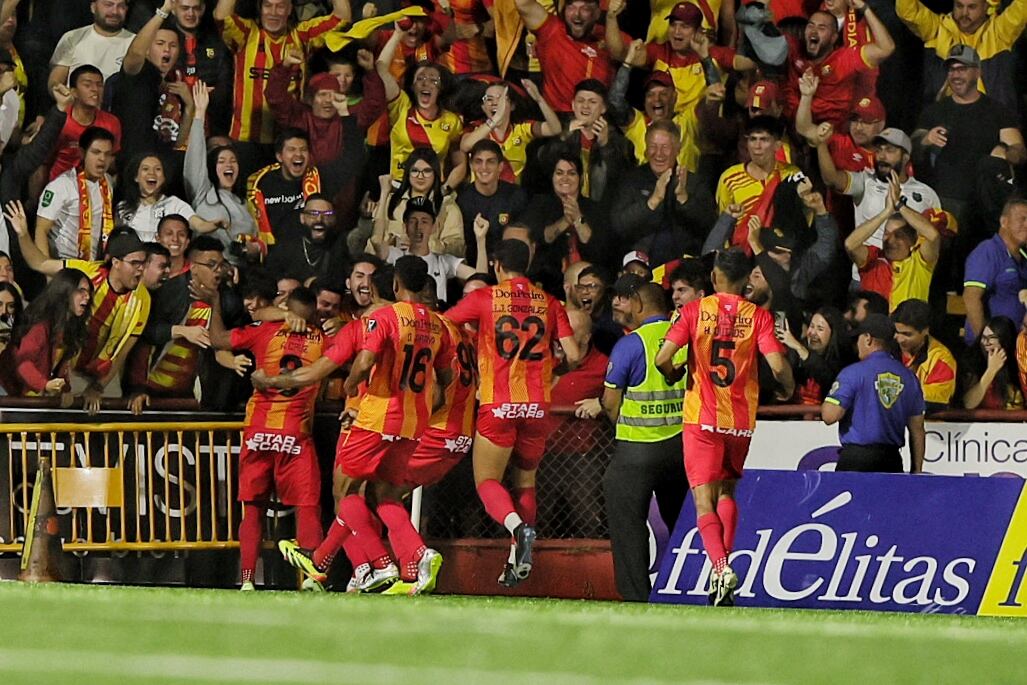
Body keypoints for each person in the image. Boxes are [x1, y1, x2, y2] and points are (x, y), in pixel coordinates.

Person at [276, 256, 455, 596]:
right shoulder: (437, 325)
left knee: (346, 493)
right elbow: (446, 378)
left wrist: (351, 384)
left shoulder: (383, 318)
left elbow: (366, 359)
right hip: (412, 422)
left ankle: (375, 564)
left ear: (393, 285)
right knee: (384, 494)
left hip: (376, 417)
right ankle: (415, 557)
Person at [655, 248, 794, 607]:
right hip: (740, 421)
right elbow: (778, 366)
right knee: (728, 494)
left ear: (715, 279)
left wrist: (673, 374)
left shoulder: (694, 311)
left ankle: (719, 567)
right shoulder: (758, 317)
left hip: (702, 419)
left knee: (703, 503)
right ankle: (723, 576)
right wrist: (789, 385)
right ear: (747, 279)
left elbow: (663, 358)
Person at [445, 239, 580, 586]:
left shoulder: (485, 298)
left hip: (498, 403)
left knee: (487, 481)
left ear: (496, 266)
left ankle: (518, 529)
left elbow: (444, 324)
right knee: (526, 481)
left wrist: (473, 333)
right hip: (537, 406)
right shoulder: (549, 303)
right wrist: (552, 370)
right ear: (528, 263)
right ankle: (518, 555)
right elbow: (574, 354)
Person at [203, 283, 326, 591]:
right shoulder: (323, 340)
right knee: (307, 506)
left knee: (253, 507)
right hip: (295, 434)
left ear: (288, 308)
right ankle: (313, 577)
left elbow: (217, 339)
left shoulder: (266, 330)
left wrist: (215, 302)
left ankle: (246, 580)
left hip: (258, 432)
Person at [576, 275, 687, 602]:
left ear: (639, 304)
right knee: (682, 523)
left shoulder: (630, 344)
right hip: (680, 449)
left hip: (636, 451)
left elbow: (610, 402)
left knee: (628, 527)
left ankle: (638, 597)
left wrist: (621, 425)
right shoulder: (682, 338)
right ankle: (690, 586)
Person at [9, 202, 151, 413]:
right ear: (115, 262)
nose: (141, 270)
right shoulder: (85, 274)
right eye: (135, 263)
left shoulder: (143, 300)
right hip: (64, 363)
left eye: (143, 263)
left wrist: (97, 387)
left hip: (99, 373)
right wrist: (22, 234)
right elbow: (39, 263)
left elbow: (122, 353)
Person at [213, 0, 351, 155]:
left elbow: (343, 17)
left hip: (290, 142)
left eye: (280, 6)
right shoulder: (246, 33)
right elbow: (221, 15)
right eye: (268, 5)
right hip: (247, 141)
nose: (273, 12)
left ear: (290, 9)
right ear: (260, 8)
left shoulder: (302, 35)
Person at [913, 45, 1025, 235]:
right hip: (946, 203)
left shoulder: (998, 111)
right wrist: (926, 138)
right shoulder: (934, 111)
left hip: (986, 206)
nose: (956, 75)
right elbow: (912, 147)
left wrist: (1006, 153)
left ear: (978, 72)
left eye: (962, 69)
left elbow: (1019, 150)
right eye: (951, 69)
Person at [822, 313, 926, 474]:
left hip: (856, 461)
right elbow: (917, 428)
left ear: (868, 338)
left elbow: (830, 416)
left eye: (858, 338)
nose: (857, 344)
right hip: (891, 462)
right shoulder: (909, 377)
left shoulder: (852, 373)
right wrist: (916, 470)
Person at [612, 119, 716, 267]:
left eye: (665, 147)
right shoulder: (631, 180)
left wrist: (683, 198)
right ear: (646, 149)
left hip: (684, 266)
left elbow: (708, 224)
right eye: (653, 147)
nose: (658, 154)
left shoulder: (694, 183)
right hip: (639, 266)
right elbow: (619, 226)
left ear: (678, 149)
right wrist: (652, 202)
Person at [896, 0, 1027, 111]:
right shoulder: (938, 29)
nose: (964, 13)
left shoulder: (999, 31)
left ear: (986, 7)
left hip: (993, 122)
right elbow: (908, 11)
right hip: (945, 120)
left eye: (972, 7)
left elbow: (1022, 6)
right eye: (959, 6)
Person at [376, 30, 466, 189]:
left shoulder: (452, 121)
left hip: (434, 190)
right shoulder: (401, 107)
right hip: (398, 188)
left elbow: (459, 164)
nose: (426, 84)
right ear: (412, 85)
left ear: (442, 88)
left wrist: (445, 190)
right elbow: (381, 68)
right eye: (420, 79)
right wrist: (397, 34)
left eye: (433, 80)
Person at [782, 1, 894, 127]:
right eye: (811, 26)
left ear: (834, 38)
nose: (814, 31)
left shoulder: (843, 60)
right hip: (794, 127)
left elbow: (885, 48)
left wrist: (865, 9)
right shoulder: (796, 52)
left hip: (833, 130)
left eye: (821, 28)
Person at [844, 172, 941, 311]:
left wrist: (898, 204)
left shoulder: (920, 262)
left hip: (906, 329)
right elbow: (850, 244)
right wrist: (887, 211)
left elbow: (933, 236)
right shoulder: (873, 259)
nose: (890, 240)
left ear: (912, 240)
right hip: (874, 330)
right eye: (887, 233)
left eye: (899, 235)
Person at [183, 82, 258, 259]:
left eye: (233, 161)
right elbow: (195, 158)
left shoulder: (247, 201)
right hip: (208, 268)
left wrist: (253, 250)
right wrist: (199, 113)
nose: (228, 165)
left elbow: (259, 241)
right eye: (221, 161)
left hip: (241, 271)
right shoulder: (203, 193)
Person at [519, 153, 611, 296]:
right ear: (552, 177)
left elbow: (598, 249)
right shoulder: (540, 204)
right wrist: (566, 221)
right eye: (559, 173)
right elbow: (542, 239)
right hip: (548, 283)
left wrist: (578, 218)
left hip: (588, 283)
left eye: (571, 173)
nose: (565, 178)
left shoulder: (595, 209)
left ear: (580, 178)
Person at [513, 0, 628, 113]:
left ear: (597, 13)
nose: (577, 14)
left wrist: (611, 17)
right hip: (558, 121)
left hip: (598, 122)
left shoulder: (610, 36)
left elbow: (620, 54)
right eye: (571, 7)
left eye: (585, 9)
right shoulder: (552, 31)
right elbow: (523, 3)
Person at [371, 194, 488, 305]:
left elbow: (481, 281)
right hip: (404, 320)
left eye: (424, 221)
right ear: (404, 226)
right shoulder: (396, 256)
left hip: (436, 322)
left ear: (434, 227)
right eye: (413, 221)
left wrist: (481, 239)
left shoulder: (443, 262)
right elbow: (376, 240)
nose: (418, 227)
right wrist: (384, 193)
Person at [0, 267, 92, 396]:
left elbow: (59, 368)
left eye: (88, 292)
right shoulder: (41, 323)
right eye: (81, 291)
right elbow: (23, 363)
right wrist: (44, 385)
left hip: (26, 394)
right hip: (7, 389)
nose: (87, 296)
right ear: (65, 291)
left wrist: (64, 390)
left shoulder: (69, 328)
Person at [36, 126, 116, 260]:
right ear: (82, 153)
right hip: (65, 265)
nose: (102, 159)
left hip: (94, 266)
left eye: (107, 154)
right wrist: (47, 271)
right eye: (96, 152)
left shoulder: (107, 183)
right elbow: (41, 230)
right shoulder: (61, 186)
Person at [459, 80, 561, 184]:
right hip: (481, 194)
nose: (494, 103)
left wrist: (539, 100)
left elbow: (555, 129)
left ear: (512, 105)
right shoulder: (476, 128)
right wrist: (496, 119)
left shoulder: (522, 128)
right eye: (489, 99)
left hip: (514, 194)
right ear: (483, 106)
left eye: (501, 99)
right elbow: (465, 146)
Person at [377, 149, 465, 258]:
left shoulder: (447, 206)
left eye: (427, 171)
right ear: (408, 173)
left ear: (435, 173)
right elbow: (374, 242)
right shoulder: (391, 201)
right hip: (390, 265)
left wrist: (422, 244)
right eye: (415, 171)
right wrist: (392, 242)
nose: (420, 176)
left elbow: (457, 249)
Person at [962, 200, 1027, 344]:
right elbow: (971, 298)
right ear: (1004, 221)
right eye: (1021, 219)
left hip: (1016, 348)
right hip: (991, 352)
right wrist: (985, 344)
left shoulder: (1023, 257)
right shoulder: (988, 251)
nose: (1026, 225)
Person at [117, 153, 222, 242]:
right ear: (136, 177)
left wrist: (214, 224)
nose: (151, 173)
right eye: (145, 169)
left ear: (164, 177)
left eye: (158, 169)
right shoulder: (123, 207)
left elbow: (199, 225)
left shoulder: (174, 204)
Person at [456, 139, 528, 266]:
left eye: (490, 162)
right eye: (478, 162)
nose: (484, 167)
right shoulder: (461, 200)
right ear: (471, 165)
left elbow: (522, 241)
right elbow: (461, 248)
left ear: (500, 166)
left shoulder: (516, 195)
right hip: (474, 269)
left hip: (508, 267)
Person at [246, 128, 322, 246]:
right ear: (279, 156)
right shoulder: (260, 183)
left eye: (303, 150)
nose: (298, 154)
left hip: (310, 249)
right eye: (292, 149)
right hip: (273, 252)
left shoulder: (318, 179)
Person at [47, 64, 122, 182]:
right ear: (74, 92)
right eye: (87, 85)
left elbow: (113, 161)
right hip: (60, 186)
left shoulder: (111, 122)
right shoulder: (60, 119)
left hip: (96, 186)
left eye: (99, 85)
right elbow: (44, 162)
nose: (95, 89)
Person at [172, 0, 233, 136]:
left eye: (196, 8)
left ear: (204, 8)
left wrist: (195, 96)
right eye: (185, 8)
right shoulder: (164, 41)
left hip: (211, 127)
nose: (191, 14)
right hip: (171, 125)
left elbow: (225, 89)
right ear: (173, 7)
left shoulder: (217, 43)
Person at [48, 0, 134, 89]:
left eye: (121, 6)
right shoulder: (72, 38)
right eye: (108, 5)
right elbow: (56, 79)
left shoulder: (135, 43)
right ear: (93, 7)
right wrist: (59, 91)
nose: (115, 11)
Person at [891, 298, 957, 412]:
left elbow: (937, 400)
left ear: (925, 330)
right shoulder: (884, 347)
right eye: (897, 332)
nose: (900, 339)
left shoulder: (941, 358)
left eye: (907, 334)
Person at [777, 306, 848, 405]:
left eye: (820, 329)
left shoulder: (843, 358)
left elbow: (829, 378)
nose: (812, 333)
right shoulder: (794, 352)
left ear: (833, 333)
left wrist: (800, 349)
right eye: (811, 326)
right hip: (793, 416)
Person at [266, 194, 341, 283]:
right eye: (313, 214)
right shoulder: (284, 249)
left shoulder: (341, 246)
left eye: (327, 214)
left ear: (334, 218)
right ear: (302, 218)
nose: (319, 219)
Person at [961, 316, 1025, 410]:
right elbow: (968, 403)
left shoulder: (1017, 363)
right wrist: (991, 371)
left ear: (1004, 342)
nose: (986, 343)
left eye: (991, 338)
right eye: (983, 338)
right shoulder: (974, 361)